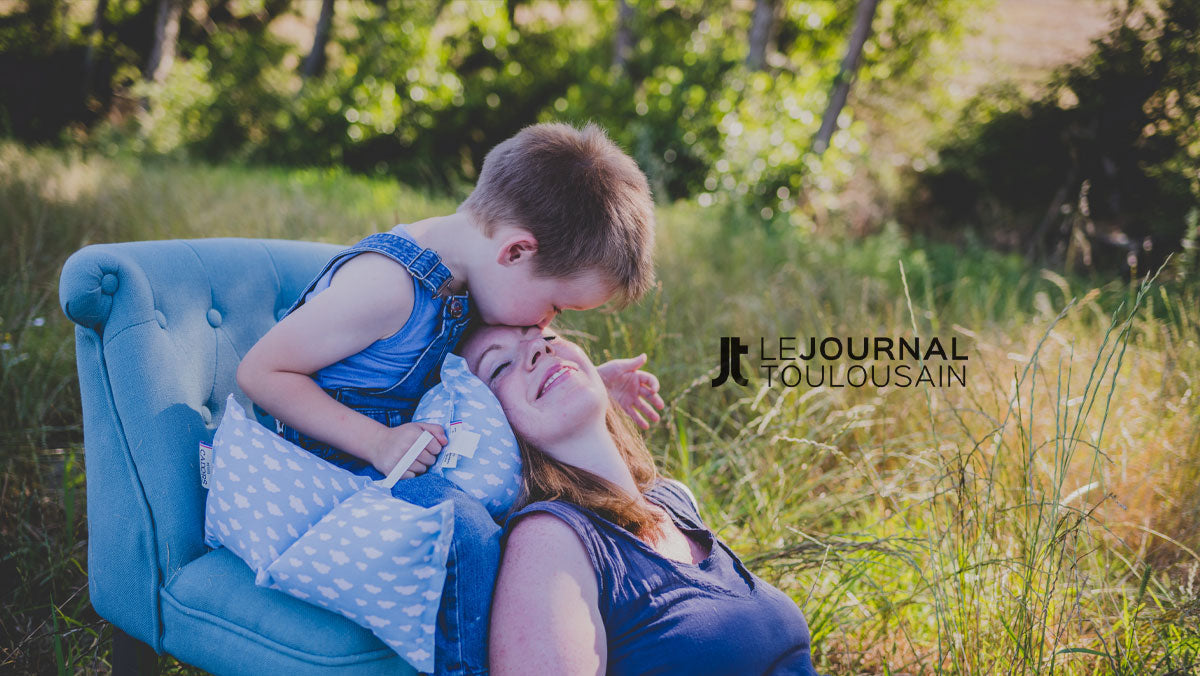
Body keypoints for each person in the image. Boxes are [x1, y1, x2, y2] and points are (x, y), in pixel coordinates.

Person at [235, 122, 666, 675]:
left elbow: (480, 388)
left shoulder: (473, 274)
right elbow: (263, 371)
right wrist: (377, 441)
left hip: (402, 462)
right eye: (556, 306)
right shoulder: (388, 288)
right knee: (466, 528)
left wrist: (583, 386)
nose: (545, 324)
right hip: (332, 479)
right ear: (515, 251)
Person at [460, 325, 820, 675]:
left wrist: (572, 384)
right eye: (500, 366)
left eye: (547, 335)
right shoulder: (550, 541)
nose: (541, 348)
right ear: (485, 422)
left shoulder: (672, 501)